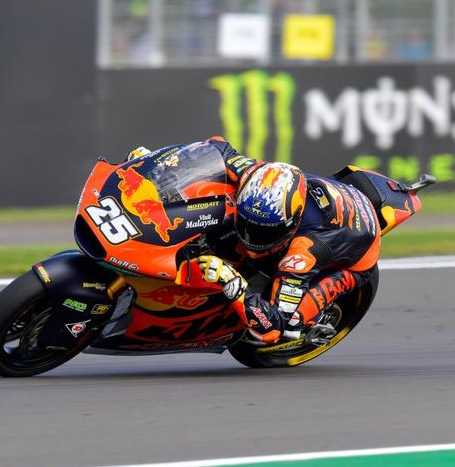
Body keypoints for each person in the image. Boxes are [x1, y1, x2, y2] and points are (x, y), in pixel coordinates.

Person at [129, 137, 380, 345]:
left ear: (292, 224)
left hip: (354, 259)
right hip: (327, 202)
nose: (250, 238)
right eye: (247, 225)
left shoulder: (303, 254)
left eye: (263, 233)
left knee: (290, 322)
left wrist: (233, 282)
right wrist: (159, 165)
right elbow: (217, 147)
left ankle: (306, 323)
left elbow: (272, 327)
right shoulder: (253, 174)